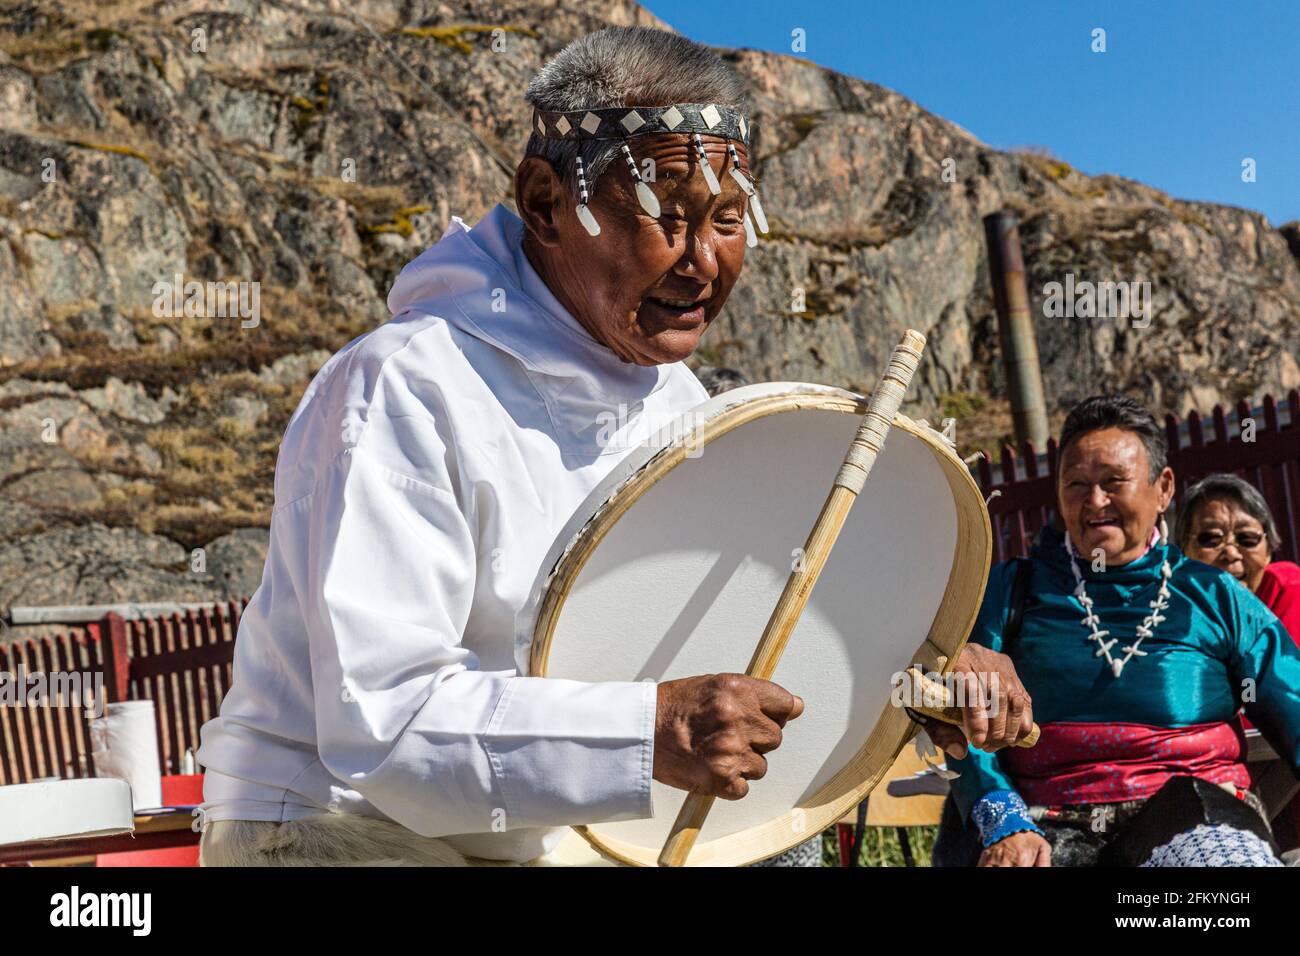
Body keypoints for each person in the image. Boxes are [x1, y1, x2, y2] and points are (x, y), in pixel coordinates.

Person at [195, 26, 1033, 867]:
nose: (704, 262)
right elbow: (387, 725)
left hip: (552, 840)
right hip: (332, 830)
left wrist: (914, 671)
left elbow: (747, 637)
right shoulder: (404, 386)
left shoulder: (683, 408)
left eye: (729, 218)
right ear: (545, 201)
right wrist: (653, 729)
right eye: (668, 215)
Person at [933, 395, 1300, 867]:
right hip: (1042, 823)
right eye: (1077, 484)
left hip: (1196, 813)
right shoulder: (1010, 591)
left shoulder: (1217, 595)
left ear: (1163, 488)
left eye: (1113, 482)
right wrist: (1003, 821)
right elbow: (958, 722)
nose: (1095, 501)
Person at [1177, 473, 1300, 647]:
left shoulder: (1287, 588)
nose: (1231, 553)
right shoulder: (1166, 608)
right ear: (1184, 551)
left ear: (1268, 553)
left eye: (1247, 538)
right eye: (1211, 539)